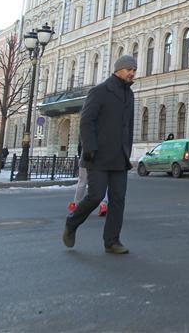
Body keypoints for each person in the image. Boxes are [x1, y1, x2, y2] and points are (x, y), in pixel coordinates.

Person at [63, 55, 136, 255]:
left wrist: (127, 150)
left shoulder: (130, 95)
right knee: (95, 196)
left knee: (118, 199)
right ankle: (72, 223)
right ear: (118, 70)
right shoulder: (100, 91)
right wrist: (89, 149)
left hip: (119, 157)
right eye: (129, 69)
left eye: (134, 70)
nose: (132, 73)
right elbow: (86, 121)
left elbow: (128, 126)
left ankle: (112, 241)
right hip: (97, 155)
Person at [69, 141, 108, 216]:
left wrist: (81, 155)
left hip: (86, 156)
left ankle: (76, 205)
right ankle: (103, 205)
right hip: (101, 157)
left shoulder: (88, 129)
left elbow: (81, 144)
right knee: (103, 182)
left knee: (82, 181)